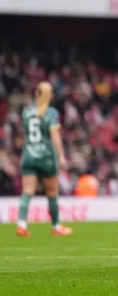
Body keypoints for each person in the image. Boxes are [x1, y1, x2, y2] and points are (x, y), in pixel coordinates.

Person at [16, 82, 72, 237]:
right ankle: (56, 226)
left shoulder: (26, 111)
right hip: (46, 157)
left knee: (27, 191)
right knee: (52, 193)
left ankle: (21, 224)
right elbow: (55, 135)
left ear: (36, 94)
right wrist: (61, 156)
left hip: (28, 155)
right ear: (50, 96)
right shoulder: (51, 113)